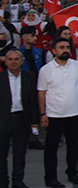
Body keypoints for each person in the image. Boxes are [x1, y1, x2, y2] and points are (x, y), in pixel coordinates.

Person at [38, 37, 78, 188]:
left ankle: (72, 172)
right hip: (54, 116)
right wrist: (42, 114)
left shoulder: (76, 65)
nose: (65, 50)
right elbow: (41, 93)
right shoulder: (45, 70)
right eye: (61, 47)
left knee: (73, 146)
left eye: (67, 47)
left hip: (73, 113)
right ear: (53, 51)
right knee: (51, 148)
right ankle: (50, 178)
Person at [1, 49, 39, 188]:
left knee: (20, 154)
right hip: (3, 120)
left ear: (22, 61)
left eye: (16, 59)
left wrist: (35, 122)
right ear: (5, 62)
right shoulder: (0, 78)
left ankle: (17, 182)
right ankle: (3, 182)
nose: (13, 62)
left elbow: (33, 102)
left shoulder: (29, 77)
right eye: (10, 59)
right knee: (1, 155)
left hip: (22, 120)